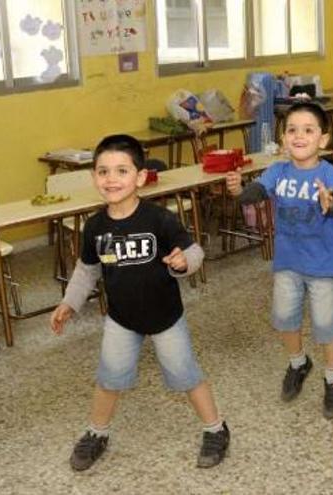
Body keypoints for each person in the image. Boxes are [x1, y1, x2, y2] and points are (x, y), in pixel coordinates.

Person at [50, 134, 230, 471]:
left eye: (121, 170)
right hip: (122, 319)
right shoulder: (95, 227)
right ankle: (96, 432)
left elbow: (195, 251)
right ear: (94, 178)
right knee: (110, 378)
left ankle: (215, 428)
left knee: (186, 375)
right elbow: (87, 271)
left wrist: (184, 263)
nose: (111, 179)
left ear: (141, 177)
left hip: (165, 317)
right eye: (103, 172)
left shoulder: (158, 219)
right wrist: (69, 304)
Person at [225, 102, 333, 419]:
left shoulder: (329, 173)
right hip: (288, 262)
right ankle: (298, 362)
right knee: (284, 316)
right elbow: (256, 192)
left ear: (322, 139)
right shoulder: (277, 171)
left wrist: (330, 200)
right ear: (283, 138)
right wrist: (240, 191)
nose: (299, 136)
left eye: (308, 130)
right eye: (292, 130)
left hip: (323, 265)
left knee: (324, 323)